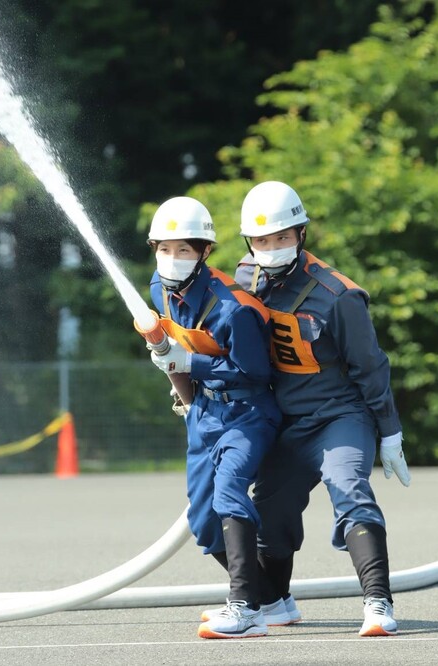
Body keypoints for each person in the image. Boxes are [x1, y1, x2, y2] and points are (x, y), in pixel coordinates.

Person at [234, 180, 411, 637]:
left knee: (348, 484)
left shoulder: (339, 295)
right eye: (261, 241)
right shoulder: (243, 280)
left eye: (281, 238)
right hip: (284, 422)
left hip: (339, 416)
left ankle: (377, 601)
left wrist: (389, 432)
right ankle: (276, 601)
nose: (271, 249)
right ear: (248, 243)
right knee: (268, 509)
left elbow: (371, 366)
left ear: (301, 235)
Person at [145, 196, 283, 639]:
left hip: (247, 413)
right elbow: (170, 344)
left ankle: (244, 609)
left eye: (184, 250)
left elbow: (255, 372)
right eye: (164, 249)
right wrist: (165, 357)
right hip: (203, 413)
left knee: (228, 494)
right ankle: (272, 598)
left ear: (205, 252)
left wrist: (188, 363)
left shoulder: (234, 307)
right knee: (203, 522)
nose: (172, 259)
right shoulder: (158, 289)